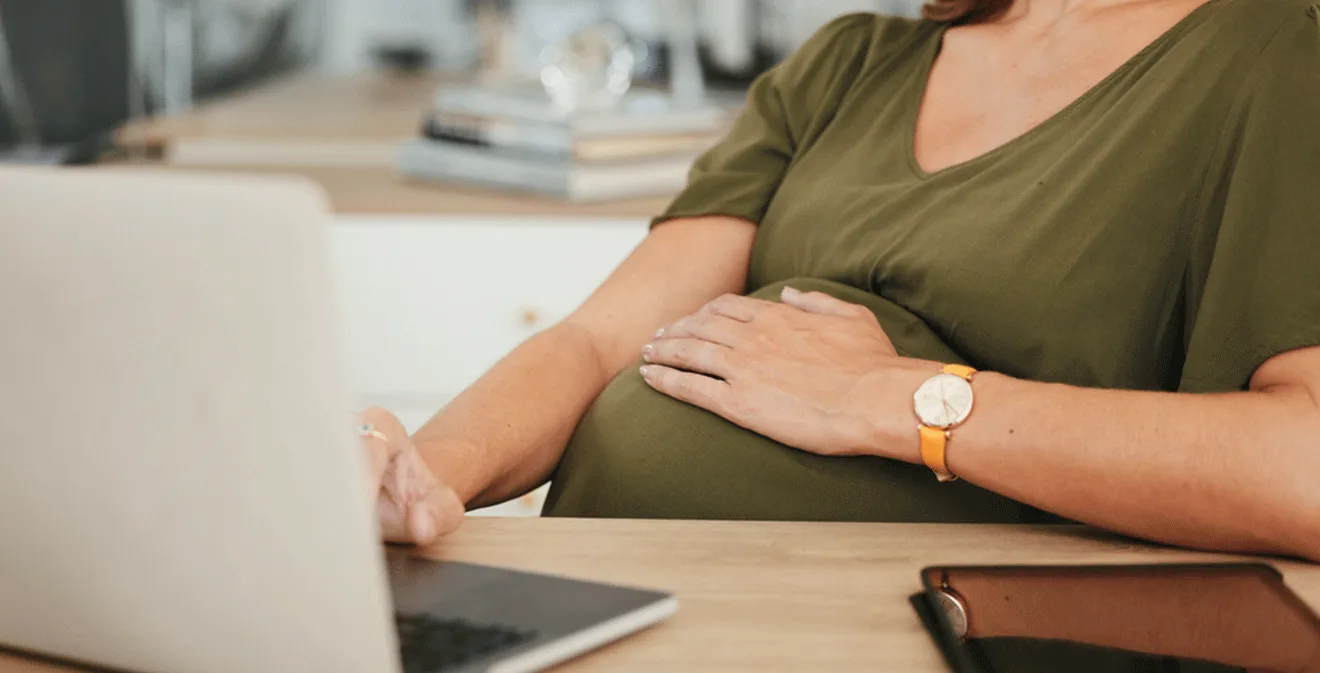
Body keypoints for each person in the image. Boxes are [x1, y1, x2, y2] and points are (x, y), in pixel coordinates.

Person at [359, 0, 1320, 560]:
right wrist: (431, 470)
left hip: (918, 656)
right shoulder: (850, 64)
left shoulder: (1277, 54)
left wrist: (898, 402)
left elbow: (1302, 467)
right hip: (628, 610)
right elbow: (601, 341)